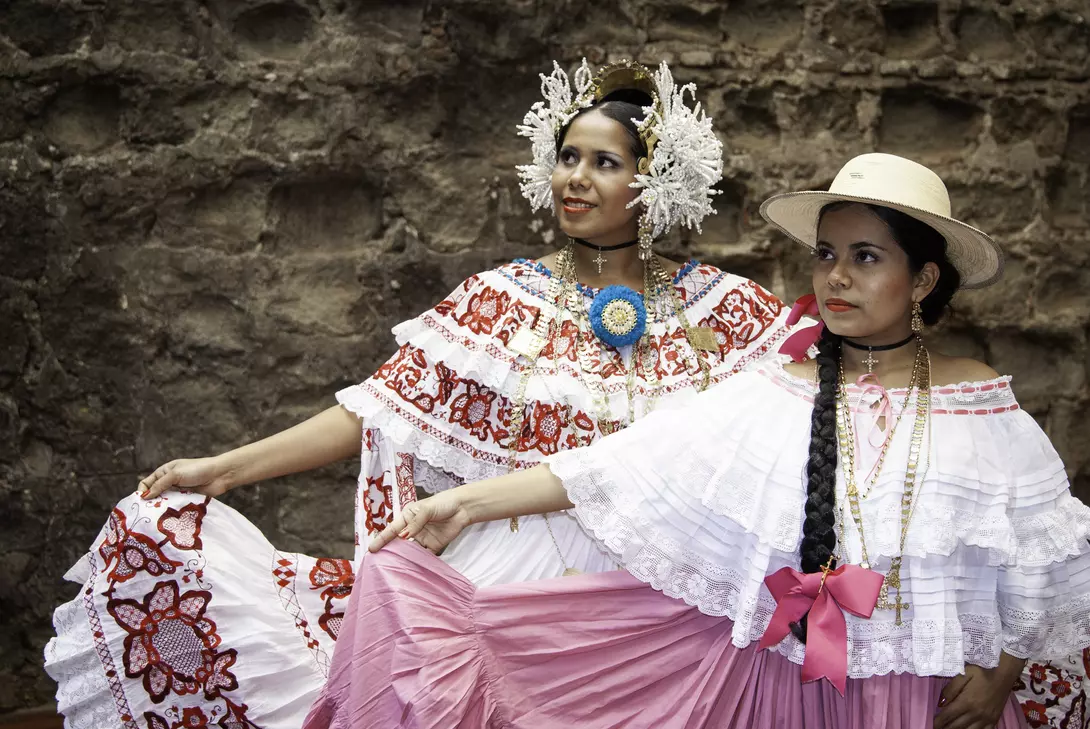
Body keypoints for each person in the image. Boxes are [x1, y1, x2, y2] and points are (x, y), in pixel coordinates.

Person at [43, 59, 797, 729]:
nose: (574, 177)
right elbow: (377, 409)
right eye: (567, 156)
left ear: (655, 181)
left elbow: (796, 431)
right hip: (510, 586)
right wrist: (225, 469)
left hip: (653, 609)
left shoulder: (726, 314)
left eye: (604, 161)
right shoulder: (499, 301)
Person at [308, 153, 1090, 729]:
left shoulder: (979, 403)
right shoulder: (779, 387)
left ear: (922, 280)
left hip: (925, 699)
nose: (836, 279)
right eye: (826, 254)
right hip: (783, 689)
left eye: (865, 257)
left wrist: (1003, 676)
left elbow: (1041, 557)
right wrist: (470, 505)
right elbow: (628, 467)